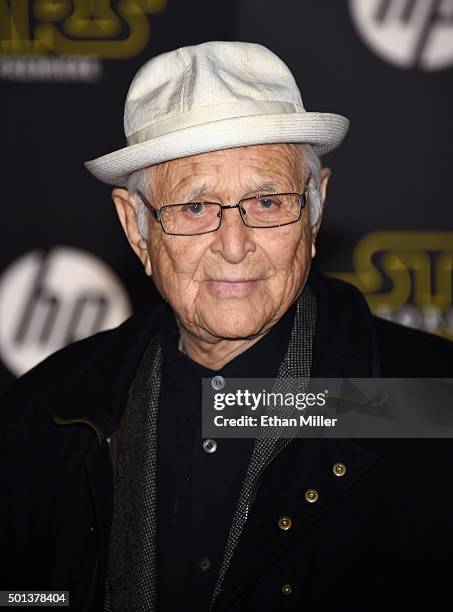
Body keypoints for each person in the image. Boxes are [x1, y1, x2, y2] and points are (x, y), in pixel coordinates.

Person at [1, 41, 453, 612]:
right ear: (136, 228)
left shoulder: (431, 403)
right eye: (195, 208)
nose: (235, 247)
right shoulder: (46, 415)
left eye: (267, 202)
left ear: (315, 209)